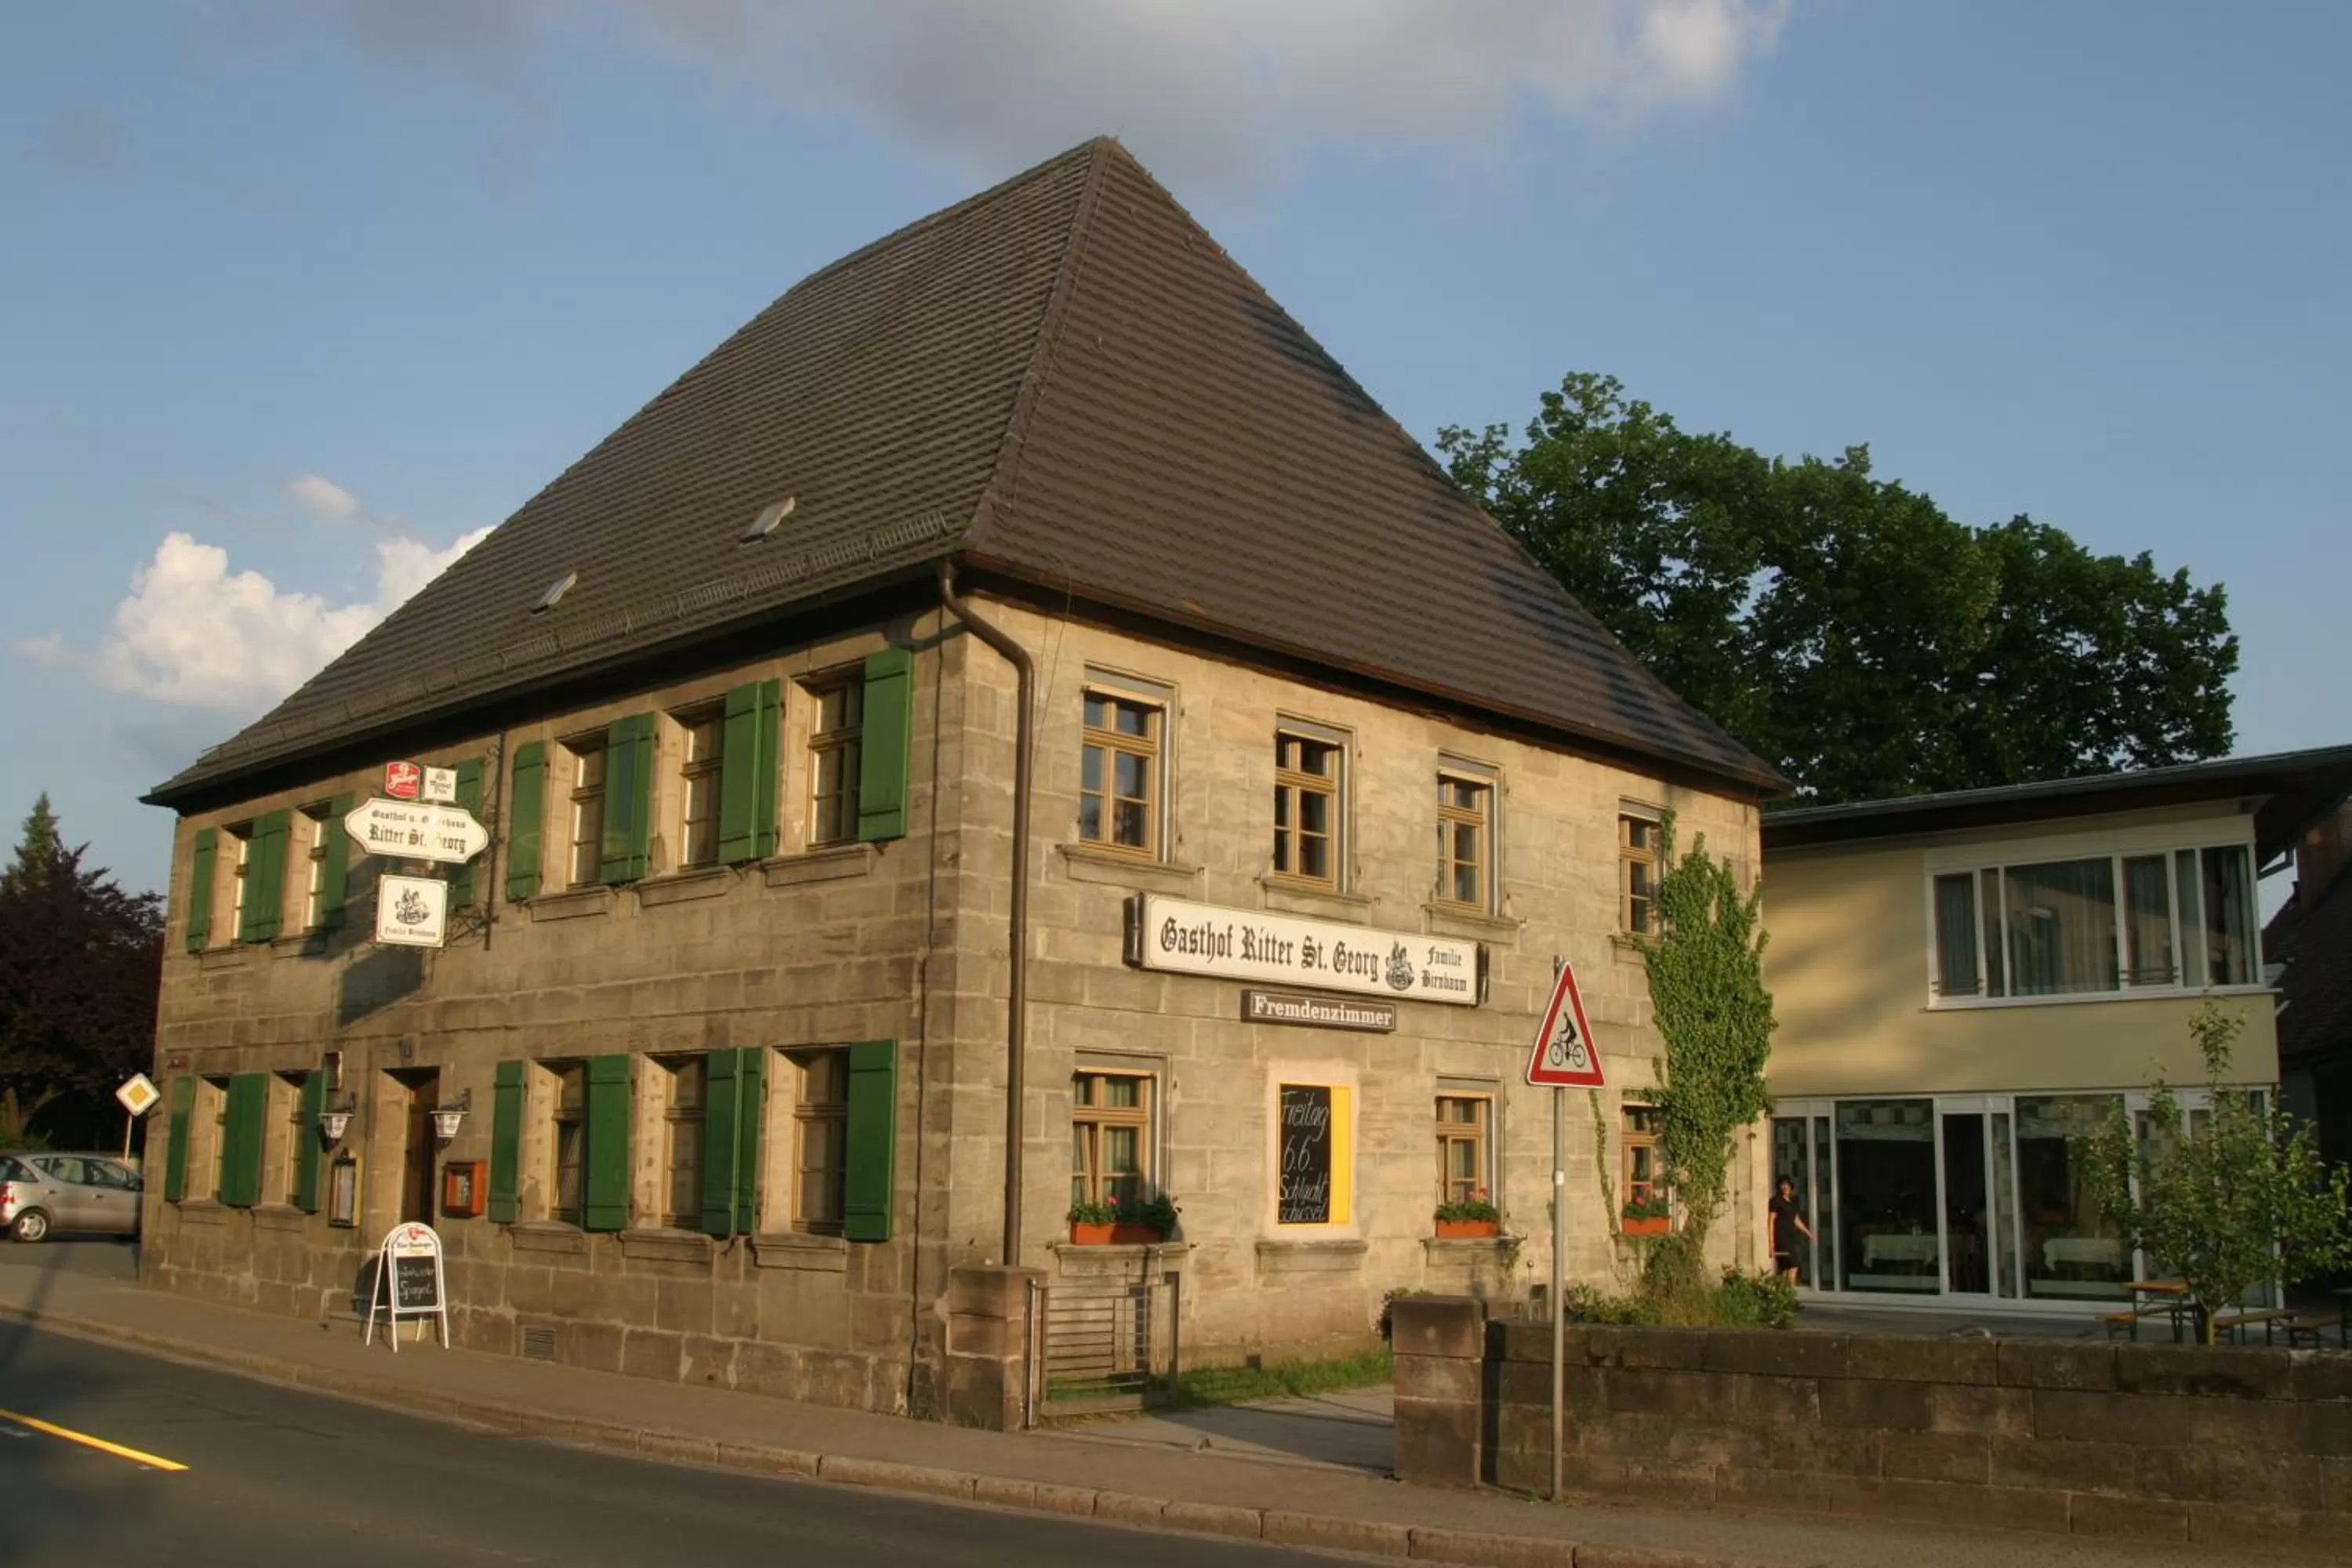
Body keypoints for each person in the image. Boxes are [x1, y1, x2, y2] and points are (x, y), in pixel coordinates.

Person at [1768, 1175, 1814, 1286]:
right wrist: (1771, 1243)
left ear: (1791, 1186)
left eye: (1787, 1184)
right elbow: (1770, 1222)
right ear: (1779, 1186)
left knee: (1786, 1269)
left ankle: (1784, 1293)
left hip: (1791, 1238)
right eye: (1783, 1184)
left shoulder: (1793, 1202)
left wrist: (1808, 1232)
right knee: (1793, 1265)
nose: (1785, 1187)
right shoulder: (1775, 1201)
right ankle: (1790, 1293)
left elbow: (1796, 1220)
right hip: (1781, 1238)